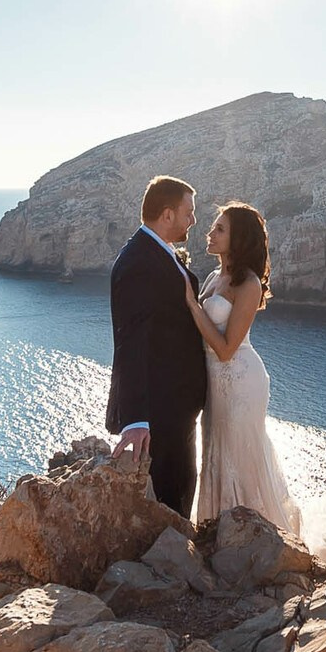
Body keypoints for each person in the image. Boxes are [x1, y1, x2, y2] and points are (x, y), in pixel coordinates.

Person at [182, 201, 303, 536]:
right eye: (213, 226)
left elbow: (224, 349)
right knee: (216, 451)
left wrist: (191, 303)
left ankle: (253, 537)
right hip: (214, 384)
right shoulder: (212, 276)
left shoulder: (249, 284)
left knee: (238, 454)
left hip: (240, 380)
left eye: (220, 228)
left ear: (239, 239)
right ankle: (216, 532)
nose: (210, 232)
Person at [105, 175, 209, 515]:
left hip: (176, 408)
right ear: (167, 214)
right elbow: (131, 341)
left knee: (181, 493)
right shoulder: (139, 263)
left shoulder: (156, 253)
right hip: (161, 412)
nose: (193, 220)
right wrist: (135, 419)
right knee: (170, 502)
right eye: (188, 212)